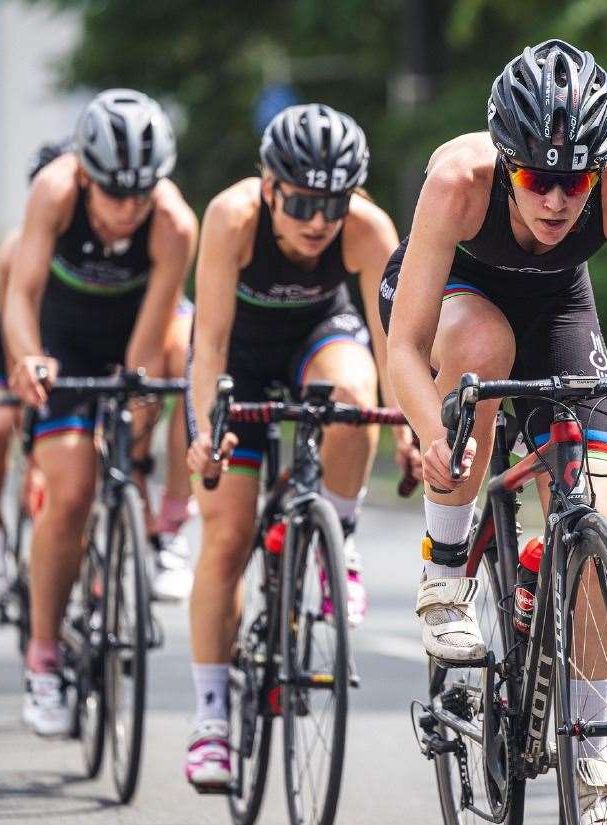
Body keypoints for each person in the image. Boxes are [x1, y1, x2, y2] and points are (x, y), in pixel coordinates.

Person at [381, 40, 607, 822]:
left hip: (558, 309)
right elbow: (402, 347)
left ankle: (596, 763)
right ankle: (446, 571)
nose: (555, 200)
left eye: (575, 180)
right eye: (536, 179)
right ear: (506, 163)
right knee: (484, 348)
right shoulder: (458, 180)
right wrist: (432, 433)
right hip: (455, 300)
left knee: (592, 538)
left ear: (601, 167)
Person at [183, 103, 406, 789]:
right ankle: (211, 719)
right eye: (303, 202)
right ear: (269, 187)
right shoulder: (231, 218)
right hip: (239, 359)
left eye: (333, 203)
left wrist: (409, 429)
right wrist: (206, 431)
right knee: (227, 536)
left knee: (354, 398)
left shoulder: (366, 228)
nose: (318, 221)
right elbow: (208, 343)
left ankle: (338, 534)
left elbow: (394, 347)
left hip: (320, 336)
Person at [4, 89, 199, 736]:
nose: (127, 208)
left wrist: (135, 410)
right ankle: (43, 658)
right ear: (86, 175)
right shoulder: (55, 193)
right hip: (62, 342)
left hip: (132, 334)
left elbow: (153, 332)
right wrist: (29, 358)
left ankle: (166, 523)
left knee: (186, 353)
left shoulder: (173, 223)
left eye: (141, 192)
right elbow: (21, 294)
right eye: (115, 192)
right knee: (70, 493)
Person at [0, 141, 197, 603]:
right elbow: (20, 331)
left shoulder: (160, 227)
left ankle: (157, 521)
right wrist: (36, 444)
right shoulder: (21, 248)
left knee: (146, 400)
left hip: (113, 320)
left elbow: (150, 344)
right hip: (29, 325)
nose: (124, 207)